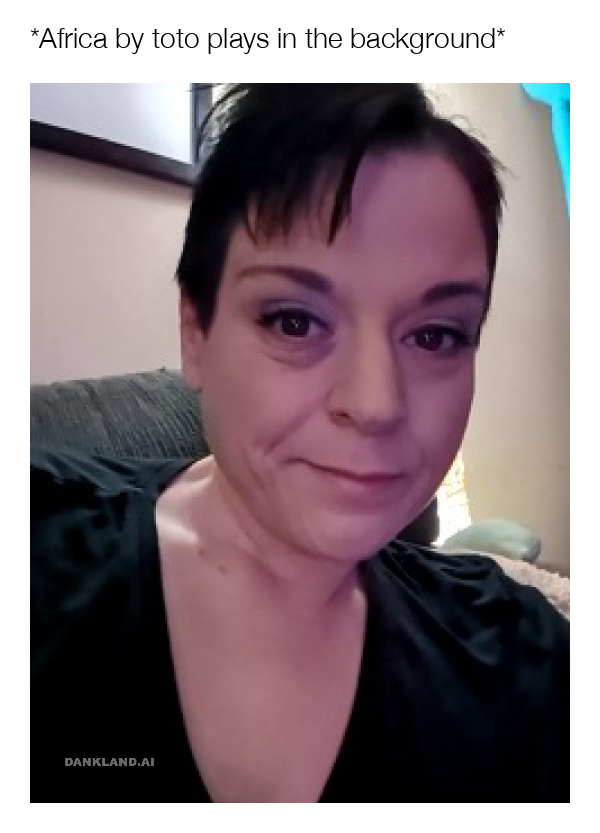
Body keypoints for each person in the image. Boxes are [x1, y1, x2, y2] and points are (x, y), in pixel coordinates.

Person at [31, 84, 569, 802]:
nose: (375, 405)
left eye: (436, 335)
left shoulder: (521, 659)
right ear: (195, 332)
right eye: (294, 321)